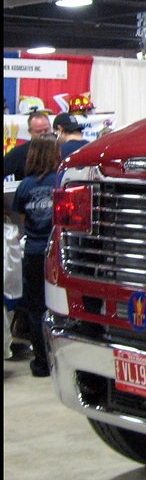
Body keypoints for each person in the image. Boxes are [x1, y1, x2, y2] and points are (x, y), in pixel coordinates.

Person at [12, 134, 61, 377]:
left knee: (35, 309)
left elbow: (22, 220)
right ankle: (60, 361)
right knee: (61, 307)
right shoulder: (60, 183)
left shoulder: (25, 186)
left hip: (33, 252)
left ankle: (41, 363)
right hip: (57, 254)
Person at [3, 110, 51, 181]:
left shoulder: (60, 148)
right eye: (38, 132)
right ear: (30, 132)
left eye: (46, 130)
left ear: (50, 127)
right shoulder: (19, 153)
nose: (43, 134)